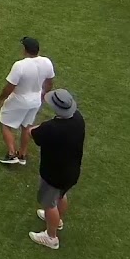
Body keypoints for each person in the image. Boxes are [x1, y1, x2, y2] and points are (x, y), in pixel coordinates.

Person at [27, 89, 85, 250]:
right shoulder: (78, 119)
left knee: (49, 203)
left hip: (54, 174)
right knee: (61, 195)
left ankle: (51, 237)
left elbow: (34, 133)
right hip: (71, 171)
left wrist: (31, 128)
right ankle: (57, 221)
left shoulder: (52, 127)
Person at [0, 37, 55, 166]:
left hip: (19, 99)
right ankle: (22, 154)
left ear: (24, 50)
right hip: (35, 100)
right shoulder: (47, 62)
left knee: (5, 123)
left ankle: (12, 154)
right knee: (26, 126)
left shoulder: (20, 65)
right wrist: (43, 95)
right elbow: (49, 82)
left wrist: (1, 98)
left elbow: (10, 86)